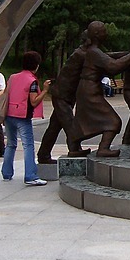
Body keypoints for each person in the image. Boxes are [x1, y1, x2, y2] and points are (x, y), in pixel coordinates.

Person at [72, 21, 130, 158]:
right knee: (113, 121)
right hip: (89, 90)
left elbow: (110, 56)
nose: (106, 33)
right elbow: (114, 66)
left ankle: (74, 146)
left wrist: (129, 53)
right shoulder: (94, 52)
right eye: (103, 31)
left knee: (83, 119)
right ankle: (103, 148)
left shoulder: (93, 51)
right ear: (97, 34)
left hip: (87, 89)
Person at [37, 33, 91, 164]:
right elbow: (104, 60)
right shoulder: (81, 54)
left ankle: (43, 155)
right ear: (89, 40)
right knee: (69, 123)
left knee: (55, 126)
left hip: (65, 95)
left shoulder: (85, 52)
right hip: (62, 95)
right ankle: (74, 148)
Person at [1, 51, 50, 185]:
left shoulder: (13, 77)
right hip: (23, 116)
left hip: (9, 114)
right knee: (28, 145)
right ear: (36, 65)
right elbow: (34, 101)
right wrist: (45, 90)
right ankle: (30, 175)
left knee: (10, 144)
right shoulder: (32, 81)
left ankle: (6, 173)